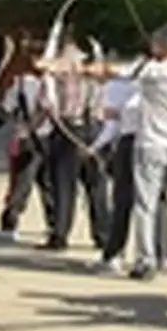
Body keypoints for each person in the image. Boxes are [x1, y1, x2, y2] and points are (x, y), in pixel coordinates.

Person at [53, 22, 167, 280]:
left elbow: (108, 71)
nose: (152, 45)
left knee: (145, 205)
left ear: (164, 46)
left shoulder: (149, 71)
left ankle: (146, 261)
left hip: (151, 145)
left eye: (157, 42)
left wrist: (81, 69)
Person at [90, 58, 167, 274]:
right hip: (158, 143)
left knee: (125, 199)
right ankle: (159, 253)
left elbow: (112, 126)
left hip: (138, 142)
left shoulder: (121, 86)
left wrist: (96, 146)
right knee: (154, 199)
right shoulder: (161, 82)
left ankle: (118, 254)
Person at [0, 39, 55, 240]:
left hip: (41, 139)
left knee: (42, 184)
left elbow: (47, 110)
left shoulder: (50, 83)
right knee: (24, 183)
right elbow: (6, 112)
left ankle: (53, 225)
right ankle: (12, 225)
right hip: (31, 140)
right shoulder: (23, 84)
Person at [40, 41, 111, 252]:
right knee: (97, 186)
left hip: (68, 131)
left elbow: (46, 102)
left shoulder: (61, 68)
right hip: (95, 131)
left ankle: (60, 235)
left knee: (64, 186)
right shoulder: (98, 69)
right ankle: (103, 236)